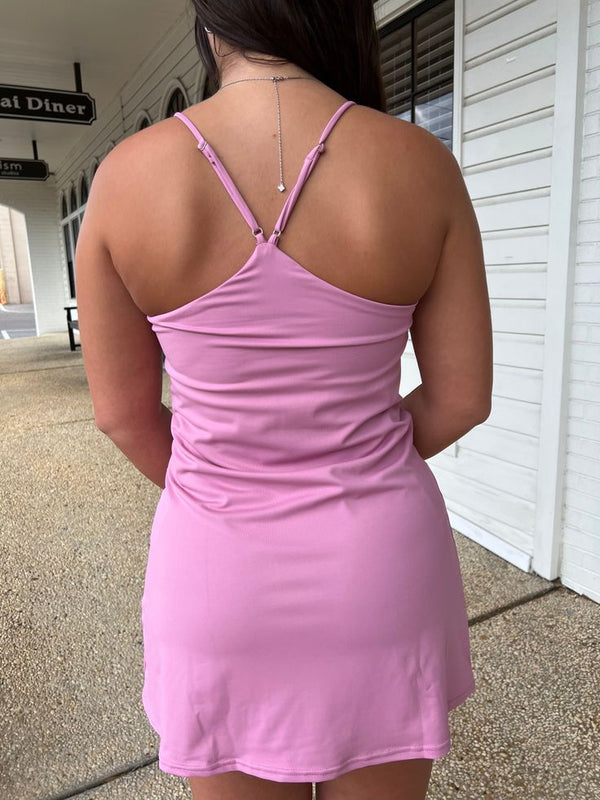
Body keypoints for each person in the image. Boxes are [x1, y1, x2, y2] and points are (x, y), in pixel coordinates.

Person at [74, 1, 493, 798]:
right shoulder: (419, 164)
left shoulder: (128, 176)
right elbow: (462, 399)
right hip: (379, 570)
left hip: (216, 576)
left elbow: (122, 415)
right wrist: (350, 456)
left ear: (212, 22)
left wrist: (232, 482)